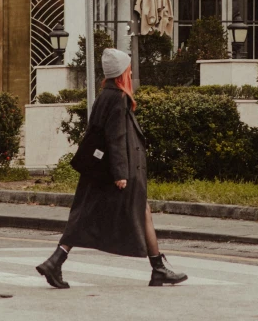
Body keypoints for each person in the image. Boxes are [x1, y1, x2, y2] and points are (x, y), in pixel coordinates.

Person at [36, 48, 188, 289]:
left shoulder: (105, 95)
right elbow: (115, 137)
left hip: (100, 169)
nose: (131, 72)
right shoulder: (117, 97)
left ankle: (56, 261)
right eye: (129, 69)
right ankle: (158, 268)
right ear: (122, 73)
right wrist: (120, 174)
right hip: (117, 171)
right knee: (120, 211)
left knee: (91, 213)